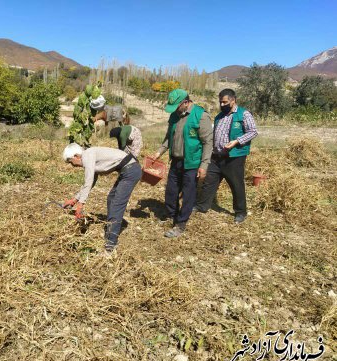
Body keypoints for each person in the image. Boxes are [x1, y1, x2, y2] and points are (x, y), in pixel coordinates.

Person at [151, 89, 213, 237]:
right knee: (171, 191)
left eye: (177, 107)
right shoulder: (174, 116)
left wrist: (204, 165)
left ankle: (181, 223)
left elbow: (207, 143)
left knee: (188, 193)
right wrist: (158, 153)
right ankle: (172, 214)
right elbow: (168, 139)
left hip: (192, 163)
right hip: (176, 161)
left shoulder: (200, 116)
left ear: (185, 102)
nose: (175, 111)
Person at [62, 143, 142, 254]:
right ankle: (113, 226)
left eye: (71, 162)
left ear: (76, 156)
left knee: (116, 205)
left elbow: (88, 182)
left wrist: (81, 204)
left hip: (131, 171)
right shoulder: (89, 156)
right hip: (127, 170)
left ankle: (110, 245)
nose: (73, 165)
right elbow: (91, 181)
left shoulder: (87, 156)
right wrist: (75, 200)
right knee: (111, 199)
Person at [195, 88, 258, 224]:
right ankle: (202, 206)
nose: (222, 105)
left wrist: (237, 141)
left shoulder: (243, 114)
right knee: (209, 182)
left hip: (234, 157)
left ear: (233, 100)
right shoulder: (219, 116)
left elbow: (253, 131)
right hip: (217, 156)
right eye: (220, 102)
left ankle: (240, 212)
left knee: (236, 185)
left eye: (224, 102)